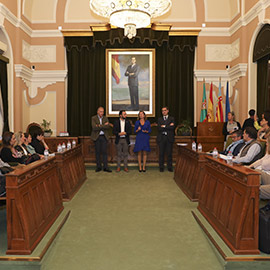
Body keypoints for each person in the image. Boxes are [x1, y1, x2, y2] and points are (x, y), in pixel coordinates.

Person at [91, 107, 112, 172]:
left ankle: (105, 167)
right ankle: (98, 167)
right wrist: (103, 125)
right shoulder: (93, 118)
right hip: (97, 137)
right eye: (100, 111)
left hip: (104, 137)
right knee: (97, 152)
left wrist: (99, 126)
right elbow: (94, 127)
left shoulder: (105, 118)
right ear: (97, 112)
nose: (101, 113)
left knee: (104, 152)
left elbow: (108, 126)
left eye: (102, 112)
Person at [157, 107, 175, 172]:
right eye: (162, 111)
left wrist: (164, 126)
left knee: (169, 153)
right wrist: (168, 126)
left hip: (169, 138)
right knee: (161, 154)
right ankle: (161, 167)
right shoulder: (159, 119)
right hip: (161, 138)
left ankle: (169, 167)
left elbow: (172, 128)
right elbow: (159, 128)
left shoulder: (171, 118)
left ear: (168, 111)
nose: (163, 112)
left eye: (165, 110)